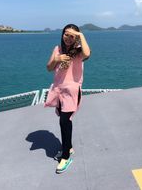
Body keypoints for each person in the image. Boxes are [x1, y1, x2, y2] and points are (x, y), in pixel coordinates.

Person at [44, 24, 91, 174]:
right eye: (66, 34)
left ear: (76, 37)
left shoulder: (78, 52)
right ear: (62, 34)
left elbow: (87, 54)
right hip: (58, 90)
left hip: (71, 91)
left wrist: (81, 35)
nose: (68, 38)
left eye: (72, 35)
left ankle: (66, 157)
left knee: (64, 120)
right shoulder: (57, 49)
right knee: (63, 120)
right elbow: (49, 67)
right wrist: (57, 59)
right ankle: (68, 148)